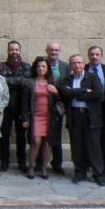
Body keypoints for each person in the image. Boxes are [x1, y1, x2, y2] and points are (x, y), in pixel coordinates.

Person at [59, 54, 105, 186]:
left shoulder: (92, 77)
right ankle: (80, 172)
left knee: (94, 146)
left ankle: (99, 174)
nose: (77, 65)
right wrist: (85, 90)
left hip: (89, 116)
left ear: (83, 63)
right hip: (74, 116)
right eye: (74, 63)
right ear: (70, 65)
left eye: (79, 63)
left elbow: (98, 94)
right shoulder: (67, 79)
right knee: (76, 146)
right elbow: (65, 93)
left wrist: (76, 94)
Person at [22, 57, 61, 180]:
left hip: (49, 117)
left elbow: (60, 100)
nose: (41, 68)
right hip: (35, 117)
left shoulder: (52, 82)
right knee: (36, 142)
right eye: (39, 66)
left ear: (47, 68)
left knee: (47, 144)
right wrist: (25, 118)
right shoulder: (30, 83)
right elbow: (24, 103)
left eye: (43, 66)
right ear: (35, 68)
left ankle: (44, 168)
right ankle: (31, 167)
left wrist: (56, 92)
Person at [0, 40, 31, 172]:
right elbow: (0, 82)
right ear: (8, 51)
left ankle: (22, 162)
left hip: (21, 106)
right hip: (5, 106)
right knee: (4, 135)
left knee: (21, 136)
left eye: (16, 49)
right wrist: (18, 80)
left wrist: (8, 81)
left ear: (20, 51)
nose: (14, 52)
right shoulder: (0, 66)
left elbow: (26, 81)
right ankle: (4, 162)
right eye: (11, 50)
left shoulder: (27, 66)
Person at [85, 46, 105, 177]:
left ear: (101, 56)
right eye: (92, 54)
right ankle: (88, 164)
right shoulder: (83, 68)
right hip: (87, 108)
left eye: (97, 54)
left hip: (104, 108)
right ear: (88, 55)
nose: (94, 57)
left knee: (104, 137)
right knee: (88, 137)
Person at [44, 41, 69, 174]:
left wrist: (57, 91)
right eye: (51, 50)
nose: (54, 52)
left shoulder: (65, 66)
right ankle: (40, 163)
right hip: (43, 105)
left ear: (59, 51)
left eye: (56, 50)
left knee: (57, 136)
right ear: (46, 51)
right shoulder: (42, 64)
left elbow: (68, 86)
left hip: (58, 106)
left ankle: (57, 163)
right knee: (42, 136)